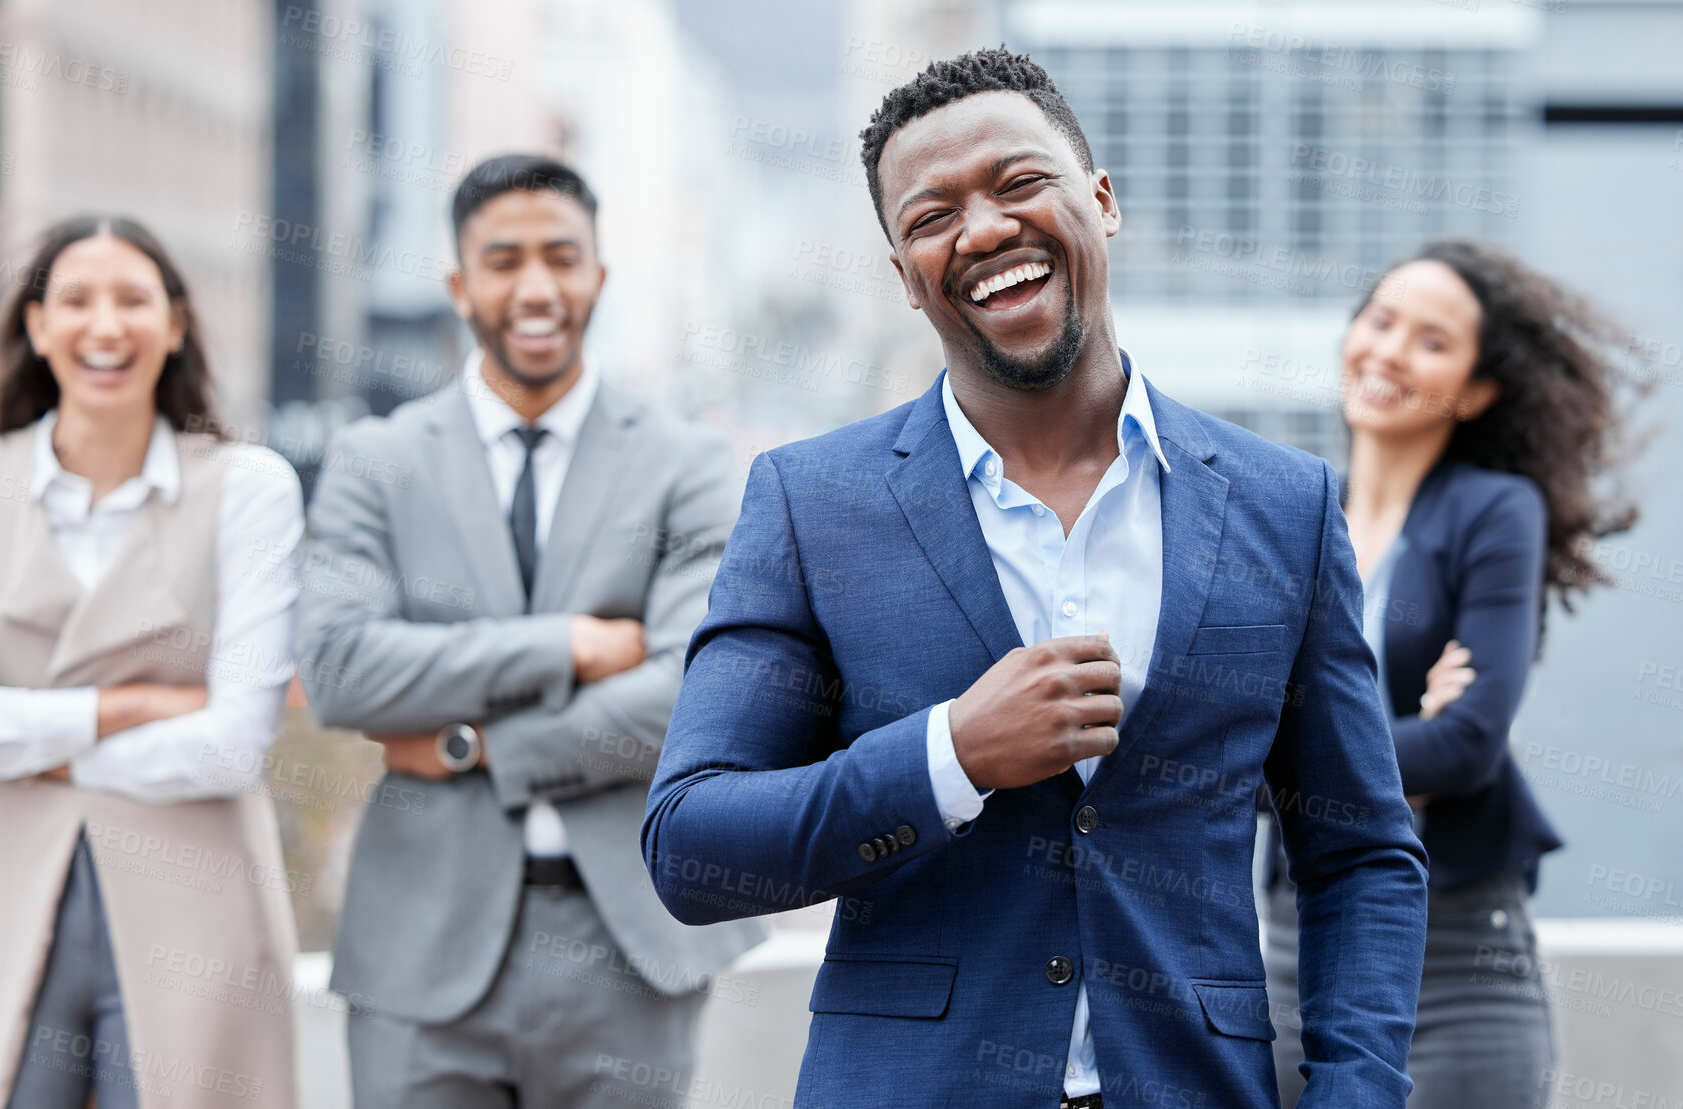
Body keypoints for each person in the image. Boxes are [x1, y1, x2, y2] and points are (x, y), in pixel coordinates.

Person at [643, 48, 1429, 1109]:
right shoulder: (807, 503)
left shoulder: (1279, 506)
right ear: (903, 275)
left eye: (1018, 184)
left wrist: (1355, 1093)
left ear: (1100, 202)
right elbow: (691, 845)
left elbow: (1359, 856)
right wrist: (949, 754)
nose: (980, 230)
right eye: (930, 217)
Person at [293, 154, 762, 1109]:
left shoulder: (690, 463)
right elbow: (341, 670)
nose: (537, 286)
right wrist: (570, 646)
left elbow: (690, 692)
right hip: (419, 949)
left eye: (562, 256)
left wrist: (471, 743)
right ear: (459, 286)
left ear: (600, 275)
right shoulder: (374, 462)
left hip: (630, 944)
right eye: (504, 260)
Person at [0, 215, 303, 1108]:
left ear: (177, 323)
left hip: (199, 906)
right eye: (75, 299)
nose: (104, 326)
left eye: (133, 300)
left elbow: (233, 745)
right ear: (35, 325)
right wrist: (132, 706)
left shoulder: (249, 487)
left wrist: (8, 721)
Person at [1262, 239, 1641, 1109]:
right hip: (1297, 950)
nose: (1390, 349)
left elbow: (1468, 745)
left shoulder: (1495, 510)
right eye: (1382, 319)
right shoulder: (1292, 510)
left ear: (1474, 390)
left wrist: (1303, 762)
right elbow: (1227, 740)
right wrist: (1402, 755)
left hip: (1461, 959)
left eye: (1432, 341)